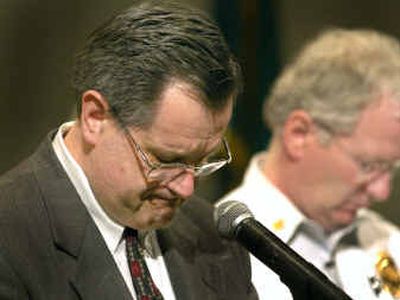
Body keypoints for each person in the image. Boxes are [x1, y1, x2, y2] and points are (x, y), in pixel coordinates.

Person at [0, 1, 259, 299]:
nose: (187, 189)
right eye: (166, 159)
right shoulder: (10, 240)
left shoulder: (214, 237)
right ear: (95, 116)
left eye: (203, 161)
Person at [218, 28, 400, 300]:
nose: (382, 192)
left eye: (392, 168)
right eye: (369, 166)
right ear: (299, 134)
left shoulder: (390, 242)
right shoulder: (217, 252)